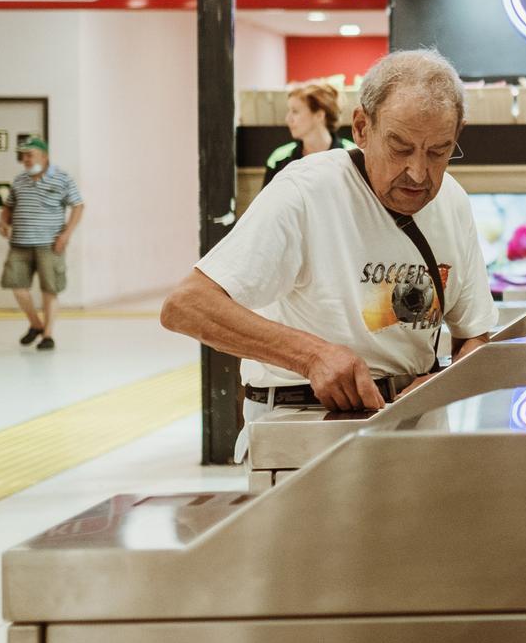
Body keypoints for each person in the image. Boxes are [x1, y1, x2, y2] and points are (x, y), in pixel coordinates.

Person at [160, 49, 497, 446]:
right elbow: (186, 306)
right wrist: (311, 355)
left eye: (438, 151)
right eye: (400, 147)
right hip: (302, 420)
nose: (418, 172)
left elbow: (475, 334)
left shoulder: (452, 201)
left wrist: (442, 383)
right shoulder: (306, 192)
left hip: (415, 422)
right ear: (361, 127)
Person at [0, 137, 84, 352]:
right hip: (20, 242)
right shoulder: (19, 180)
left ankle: (48, 334)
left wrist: (66, 234)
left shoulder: (62, 178)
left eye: (30, 155)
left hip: (50, 243)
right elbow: (8, 206)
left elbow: (78, 206)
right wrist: (3, 221)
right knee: (17, 287)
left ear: (44, 156)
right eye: (24, 156)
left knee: (50, 289)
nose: (25, 160)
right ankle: (36, 324)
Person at [263, 80, 356, 187]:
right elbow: (268, 203)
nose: (288, 119)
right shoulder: (278, 158)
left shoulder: (353, 155)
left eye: (295, 111)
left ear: (319, 115)